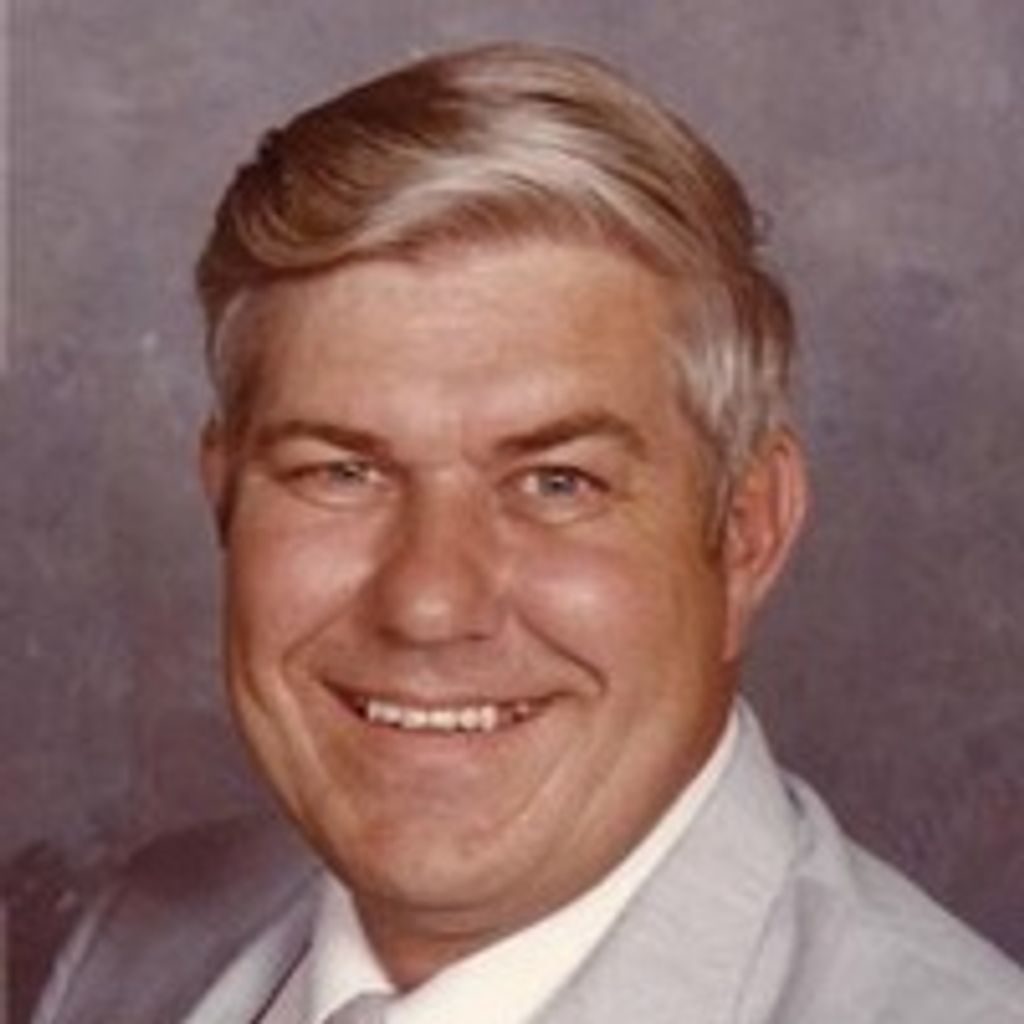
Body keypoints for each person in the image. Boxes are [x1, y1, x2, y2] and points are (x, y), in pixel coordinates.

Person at [32, 41, 1024, 1024]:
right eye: (340, 471)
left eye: (556, 483)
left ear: (746, 532)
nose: (428, 602)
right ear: (224, 496)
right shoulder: (132, 949)